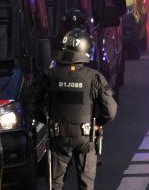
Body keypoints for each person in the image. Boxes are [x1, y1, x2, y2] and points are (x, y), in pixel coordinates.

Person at [30, 29, 117, 190]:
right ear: (85, 50)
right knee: (86, 185)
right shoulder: (94, 77)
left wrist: (48, 121)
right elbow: (110, 111)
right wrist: (98, 123)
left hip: (58, 138)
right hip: (86, 137)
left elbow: (31, 105)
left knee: (55, 185)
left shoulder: (49, 75)